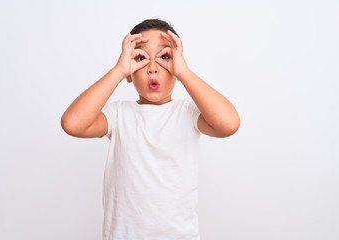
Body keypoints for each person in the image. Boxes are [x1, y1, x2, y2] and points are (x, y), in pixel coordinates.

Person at [61, 18, 240, 240]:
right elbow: (72, 124)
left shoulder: (188, 112)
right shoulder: (118, 115)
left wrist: (184, 72)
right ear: (130, 71)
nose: (153, 68)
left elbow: (229, 124)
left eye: (165, 57)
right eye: (140, 58)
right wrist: (118, 70)